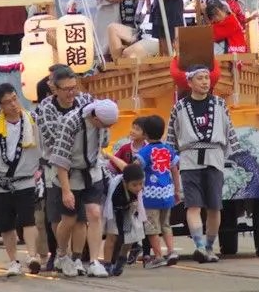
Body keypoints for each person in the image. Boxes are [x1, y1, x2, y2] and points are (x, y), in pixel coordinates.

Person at [167, 64, 240, 262]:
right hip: (189, 159)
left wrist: (235, 154)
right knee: (193, 206)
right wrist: (169, 159)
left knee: (215, 207)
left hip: (214, 157)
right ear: (189, 82)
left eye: (207, 78)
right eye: (200, 78)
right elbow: (171, 136)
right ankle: (199, 246)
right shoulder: (179, 107)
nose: (205, 82)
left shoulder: (219, 104)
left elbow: (229, 130)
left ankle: (209, 247)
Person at [50, 98, 120, 278]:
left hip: (93, 172)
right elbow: (60, 158)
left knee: (95, 213)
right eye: (105, 124)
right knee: (69, 220)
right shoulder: (71, 122)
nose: (107, 128)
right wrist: (66, 190)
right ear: (95, 118)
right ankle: (62, 254)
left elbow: (103, 144)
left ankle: (95, 261)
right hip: (70, 174)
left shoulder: (102, 124)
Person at [0, 83, 42, 276]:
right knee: (6, 224)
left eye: (15, 99)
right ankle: (13, 260)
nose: (13, 104)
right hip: (0, 180)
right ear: (0, 106)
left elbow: (45, 145)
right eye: (8, 102)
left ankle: (32, 256)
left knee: (28, 219)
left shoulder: (33, 120)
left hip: (25, 178)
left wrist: (41, 167)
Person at [34, 65, 93, 273]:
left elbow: (96, 125)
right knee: (58, 216)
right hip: (54, 167)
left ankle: (76, 257)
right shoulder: (45, 108)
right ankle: (62, 253)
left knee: (80, 216)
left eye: (73, 88)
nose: (71, 93)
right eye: (66, 89)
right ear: (54, 89)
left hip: (81, 166)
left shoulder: (86, 101)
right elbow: (53, 137)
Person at [137, 115, 180, 268]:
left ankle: (158, 256)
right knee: (166, 225)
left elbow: (136, 168)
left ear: (145, 134)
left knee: (152, 228)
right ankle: (171, 251)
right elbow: (175, 170)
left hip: (150, 195)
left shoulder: (144, 152)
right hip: (167, 192)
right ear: (162, 132)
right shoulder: (168, 150)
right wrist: (177, 190)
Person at [102, 163, 146, 276]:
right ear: (125, 183)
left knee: (130, 236)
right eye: (134, 185)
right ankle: (107, 264)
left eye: (140, 184)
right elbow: (114, 206)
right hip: (114, 210)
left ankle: (121, 260)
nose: (138, 188)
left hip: (128, 210)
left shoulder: (139, 190)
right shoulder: (116, 191)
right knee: (112, 235)